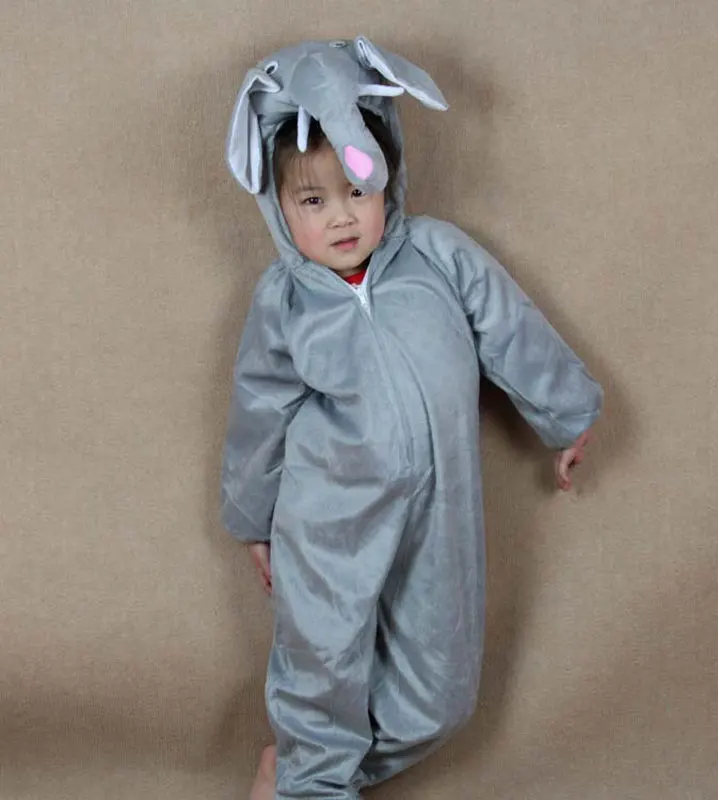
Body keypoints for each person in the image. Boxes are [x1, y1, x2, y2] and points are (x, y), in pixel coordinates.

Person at [220, 38, 603, 800]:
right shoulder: (285, 303)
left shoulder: (437, 255)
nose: (341, 218)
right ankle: (308, 783)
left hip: (440, 507)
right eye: (313, 201)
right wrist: (253, 520)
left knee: (442, 694)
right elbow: (259, 411)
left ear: (387, 176)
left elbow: (509, 329)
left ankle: (299, 774)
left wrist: (567, 414)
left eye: (357, 189)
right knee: (322, 668)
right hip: (327, 519)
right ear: (279, 208)